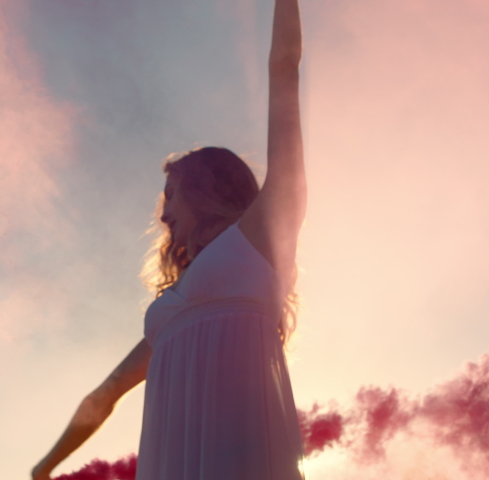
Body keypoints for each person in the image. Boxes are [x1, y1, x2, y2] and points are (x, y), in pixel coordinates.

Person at [31, 0, 305, 477]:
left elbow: (284, 69)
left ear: (205, 188)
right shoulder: (172, 308)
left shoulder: (262, 237)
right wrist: (44, 467)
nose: (163, 213)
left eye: (172, 194)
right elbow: (104, 396)